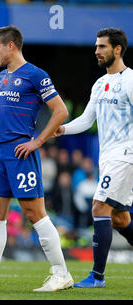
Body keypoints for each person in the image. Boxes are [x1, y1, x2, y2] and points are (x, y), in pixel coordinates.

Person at [0, 26, 73, 292]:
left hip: (22, 152)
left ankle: (61, 273)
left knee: (34, 213)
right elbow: (0, 106)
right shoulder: (2, 76)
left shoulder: (35, 75)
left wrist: (37, 141)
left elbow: (60, 111)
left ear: (11, 46)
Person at [54, 28, 133, 288]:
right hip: (108, 157)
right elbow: (88, 120)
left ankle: (97, 277)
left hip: (126, 155)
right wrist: (63, 129)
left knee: (99, 207)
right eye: (96, 46)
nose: (96, 51)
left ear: (117, 49)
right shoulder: (100, 84)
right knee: (119, 218)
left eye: (102, 46)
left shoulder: (130, 80)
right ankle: (98, 276)